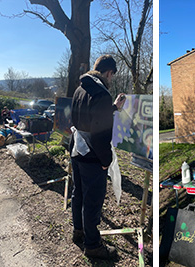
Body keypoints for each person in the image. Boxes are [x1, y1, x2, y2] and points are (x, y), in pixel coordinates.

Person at [69, 55, 125, 260]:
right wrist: (105, 161)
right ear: (109, 72)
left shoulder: (80, 89)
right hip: (93, 156)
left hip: (77, 151)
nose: (111, 80)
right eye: (112, 76)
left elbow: (83, 118)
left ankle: (79, 231)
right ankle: (92, 245)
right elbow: (101, 133)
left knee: (79, 194)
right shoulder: (101, 93)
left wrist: (113, 108)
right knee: (93, 201)